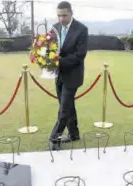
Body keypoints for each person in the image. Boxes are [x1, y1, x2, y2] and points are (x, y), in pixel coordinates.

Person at [49, 1, 88, 150]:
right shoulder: (55, 28)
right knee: (67, 105)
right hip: (59, 75)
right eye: (58, 15)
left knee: (64, 109)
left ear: (71, 13)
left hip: (73, 75)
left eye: (64, 15)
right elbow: (51, 48)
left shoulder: (82, 29)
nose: (61, 19)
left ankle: (55, 137)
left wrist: (59, 61)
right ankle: (74, 134)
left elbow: (80, 55)